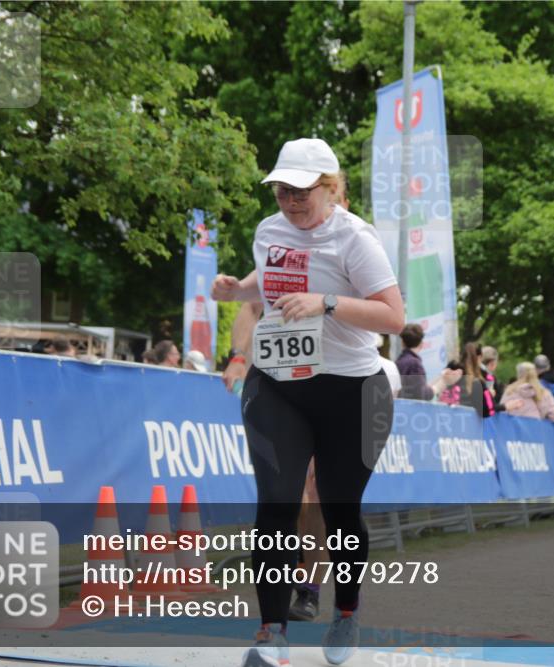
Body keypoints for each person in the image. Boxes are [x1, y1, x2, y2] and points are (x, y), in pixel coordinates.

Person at [212, 138, 402, 667]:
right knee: (277, 502)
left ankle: (346, 612)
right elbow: (270, 277)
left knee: (341, 511)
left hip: (353, 391)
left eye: (302, 191)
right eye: (281, 191)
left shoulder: (355, 239)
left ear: (331, 188)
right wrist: (238, 290)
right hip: (278, 384)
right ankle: (271, 633)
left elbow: (392, 316)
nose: (291, 201)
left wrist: (328, 303)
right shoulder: (268, 231)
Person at [395, 323, 433, 400]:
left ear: (402, 343)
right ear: (421, 344)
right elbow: (420, 395)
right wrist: (441, 384)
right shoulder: (415, 364)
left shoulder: (397, 362)